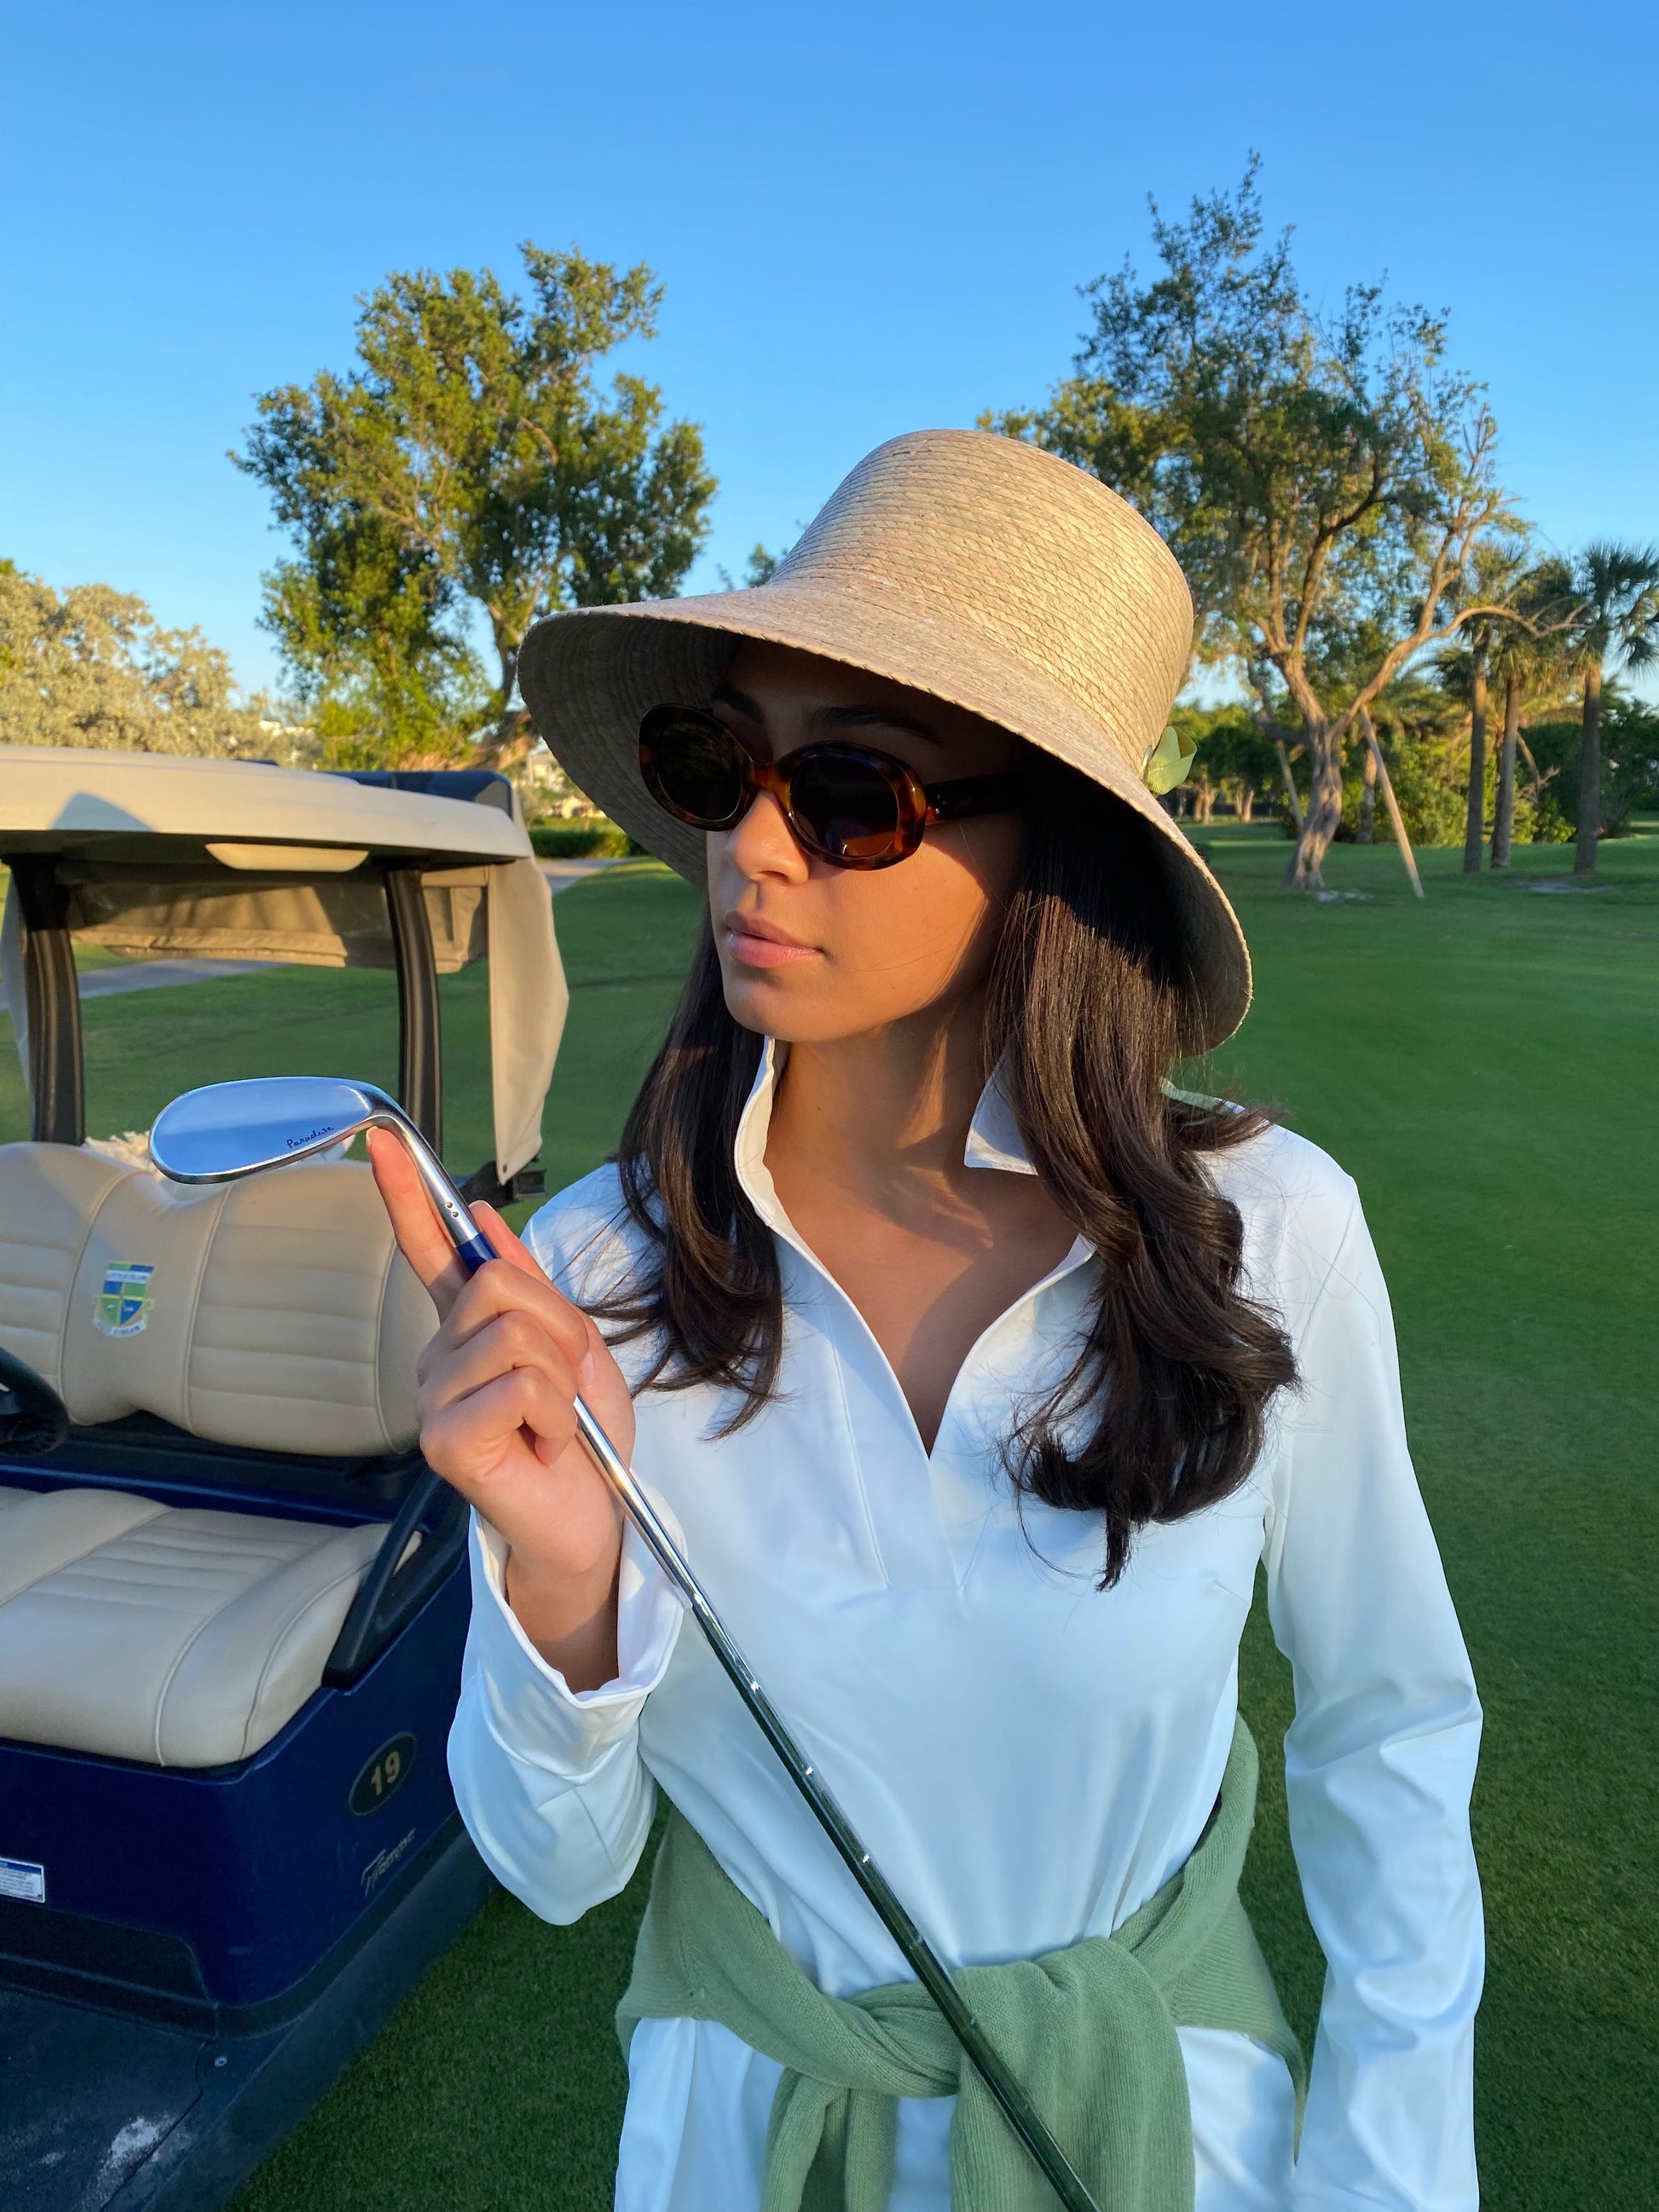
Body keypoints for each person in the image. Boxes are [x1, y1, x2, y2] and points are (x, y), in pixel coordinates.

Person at [370, 430, 1483, 2212]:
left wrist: (1393, 2176)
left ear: (1050, 848)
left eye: (850, 792)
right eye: (713, 760)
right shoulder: (589, 1275)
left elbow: (1392, 1733)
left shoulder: (1272, 1236)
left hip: (1161, 2133)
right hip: (749, 2148)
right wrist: (566, 1590)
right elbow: (556, 1869)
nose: (747, 839)